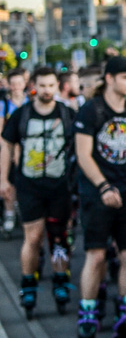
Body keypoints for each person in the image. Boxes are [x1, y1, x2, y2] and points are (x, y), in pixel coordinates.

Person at [73, 56, 126, 338]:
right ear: (111, 79)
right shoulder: (90, 111)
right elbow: (83, 155)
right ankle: (89, 310)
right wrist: (103, 186)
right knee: (96, 255)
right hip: (96, 193)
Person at [1, 67, 75, 317]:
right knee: (32, 238)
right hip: (29, 186)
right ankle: (28, 283)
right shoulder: (22, 115)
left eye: (51, 85)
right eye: (42, 85)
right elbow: (6, 144)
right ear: (34, 86)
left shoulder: (67, 114)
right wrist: (3, 179)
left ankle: (60, 278)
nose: (46, 90)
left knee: (59, 238)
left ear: (57, 86)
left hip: (59, 187)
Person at [1, 67, 29, 232]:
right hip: (8, 148)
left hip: (29, 150)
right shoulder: (4, 105)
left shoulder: (30, 103)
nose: (17, 86)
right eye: (14, 84)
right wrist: (9, 150)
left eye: (20, 83)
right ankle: (9, 214)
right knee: (9, 182)